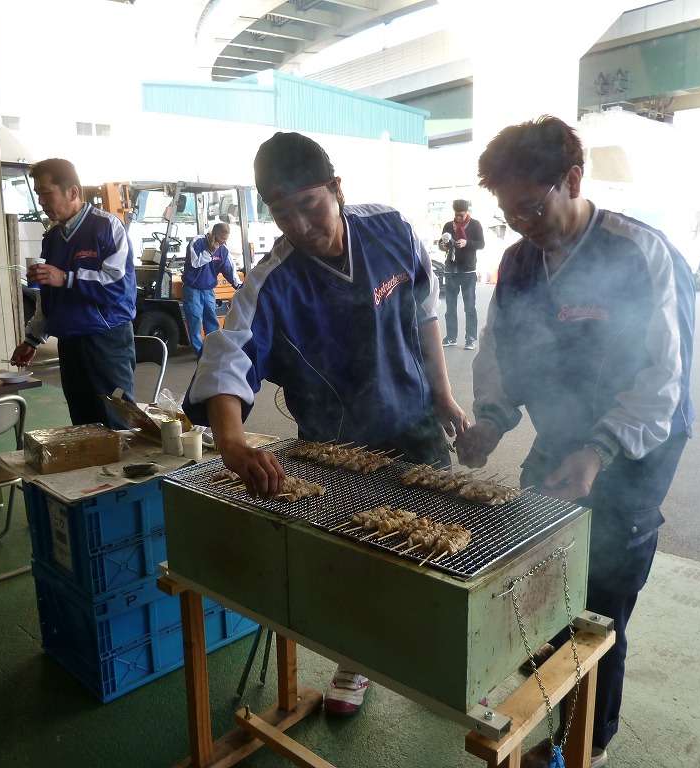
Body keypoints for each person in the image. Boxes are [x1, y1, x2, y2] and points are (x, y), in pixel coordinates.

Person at [183, 131, 469, 717]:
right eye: (281, 213)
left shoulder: (392, 229)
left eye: (310, 207)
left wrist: (443, 394)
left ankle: (439, 652)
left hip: (412, 417)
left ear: (337, 190)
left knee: (439, 545)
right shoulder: (273, 279)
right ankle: (356, 659)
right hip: (334, 445)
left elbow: (426, 309)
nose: (300, 227)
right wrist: (233, 444)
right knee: (357, 554)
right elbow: (229, 352)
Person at [456, 116, 695, 768]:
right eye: (507, 212)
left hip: (637, 450)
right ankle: (555, 720)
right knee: (541, 586)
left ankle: (587, 744)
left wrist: (598, 451)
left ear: (573, 178)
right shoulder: (517, 262)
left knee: (600, 608)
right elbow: (500, 353)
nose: (522, 223)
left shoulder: (639, 251)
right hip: (560, 440)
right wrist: (490, 420)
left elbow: (663, 377)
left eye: (531, 205)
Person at [10, 158, 137, 429]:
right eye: (38, 195)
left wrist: (65, 278)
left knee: (118, 420)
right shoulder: (52, 237)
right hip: (70, 344)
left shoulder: (107, 227)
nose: (42, 201)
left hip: (105, 341)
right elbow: (48, 297)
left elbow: (118, 286)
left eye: (47, 193)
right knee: (82, 423)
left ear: (73, 192)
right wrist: (32, 339)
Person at [181, 222, 241, 359]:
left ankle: (214, 351)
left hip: (208, 290)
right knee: (195, 321)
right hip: (192, 289)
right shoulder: (197, 242)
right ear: (213, 235)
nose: (224, 242)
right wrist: (210, 251)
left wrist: (239, 286)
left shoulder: (224, 250)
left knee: (211, 320)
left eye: (226, 239)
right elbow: (195, 263)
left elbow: (230, 270)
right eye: (222, 238)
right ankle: (200, 354)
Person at [438, 199, 484, 350]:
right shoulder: (447, 226)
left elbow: (481, 244)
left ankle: (470, 338)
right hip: (451, 270)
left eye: (461, 215)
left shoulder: (475, 224)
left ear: (467, 212)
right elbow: (440, 244)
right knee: (450, 307)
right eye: (456, 215)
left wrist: (467, 243)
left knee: (469, 307)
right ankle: (451, 336)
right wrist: (443, 245)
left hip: (468, 271)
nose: (459, 218)